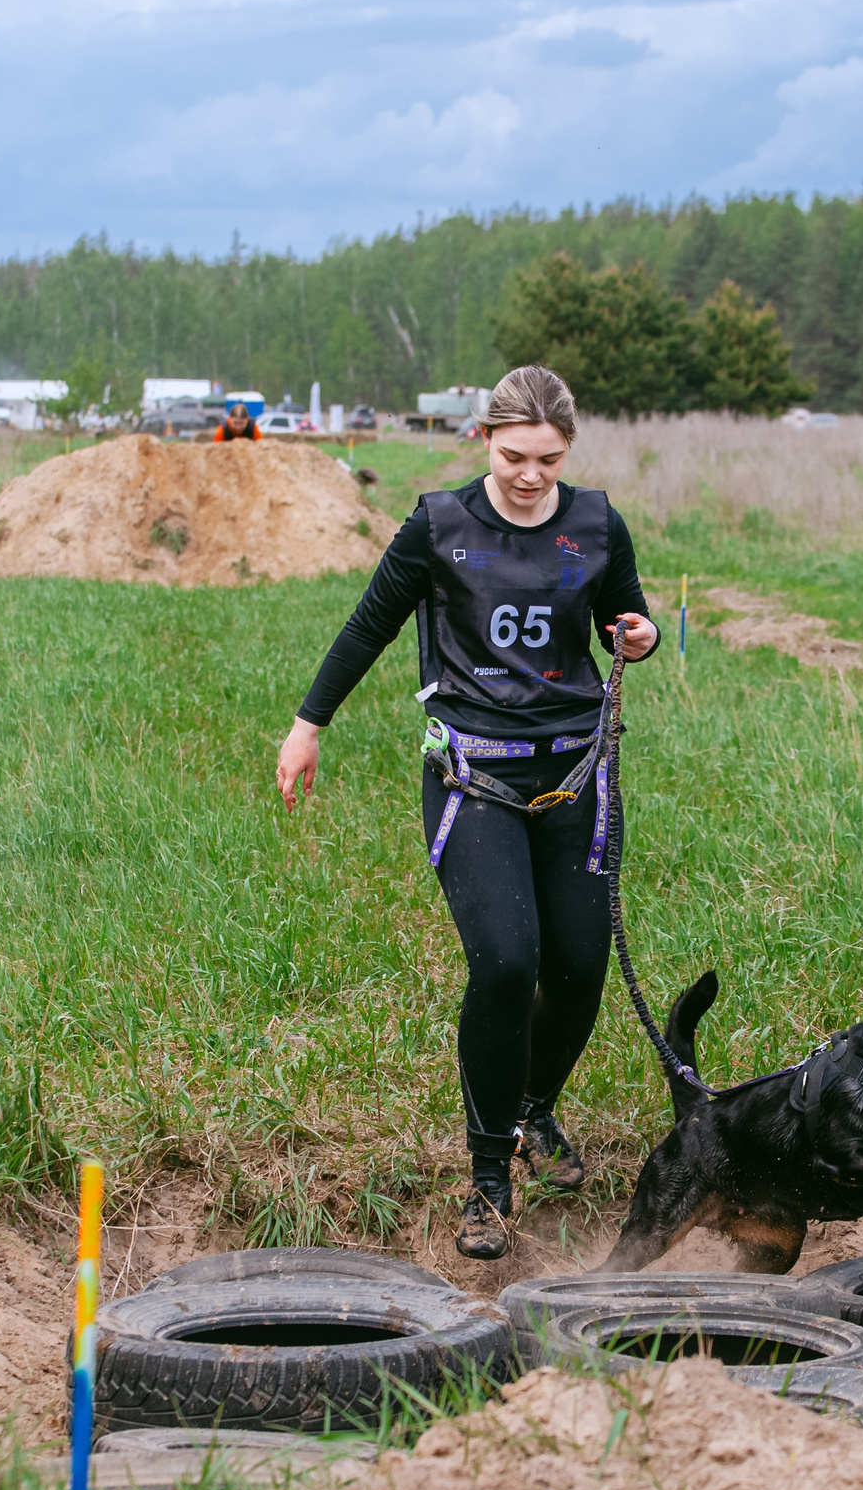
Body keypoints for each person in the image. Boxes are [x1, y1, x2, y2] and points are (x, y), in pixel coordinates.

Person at [277, 366, 658, 1260]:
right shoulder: (438, 525)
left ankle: (533, 1110)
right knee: (505, 962)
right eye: (515, 454)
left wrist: (633, 630)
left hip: (575, 772)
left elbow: (621, 615)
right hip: (473, 778)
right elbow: (368, 625)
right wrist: (307, 726)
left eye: (549, 458)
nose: (531, 474)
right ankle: (487, 1179)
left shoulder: (596, 523)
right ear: (484, 439)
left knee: (578, 968)